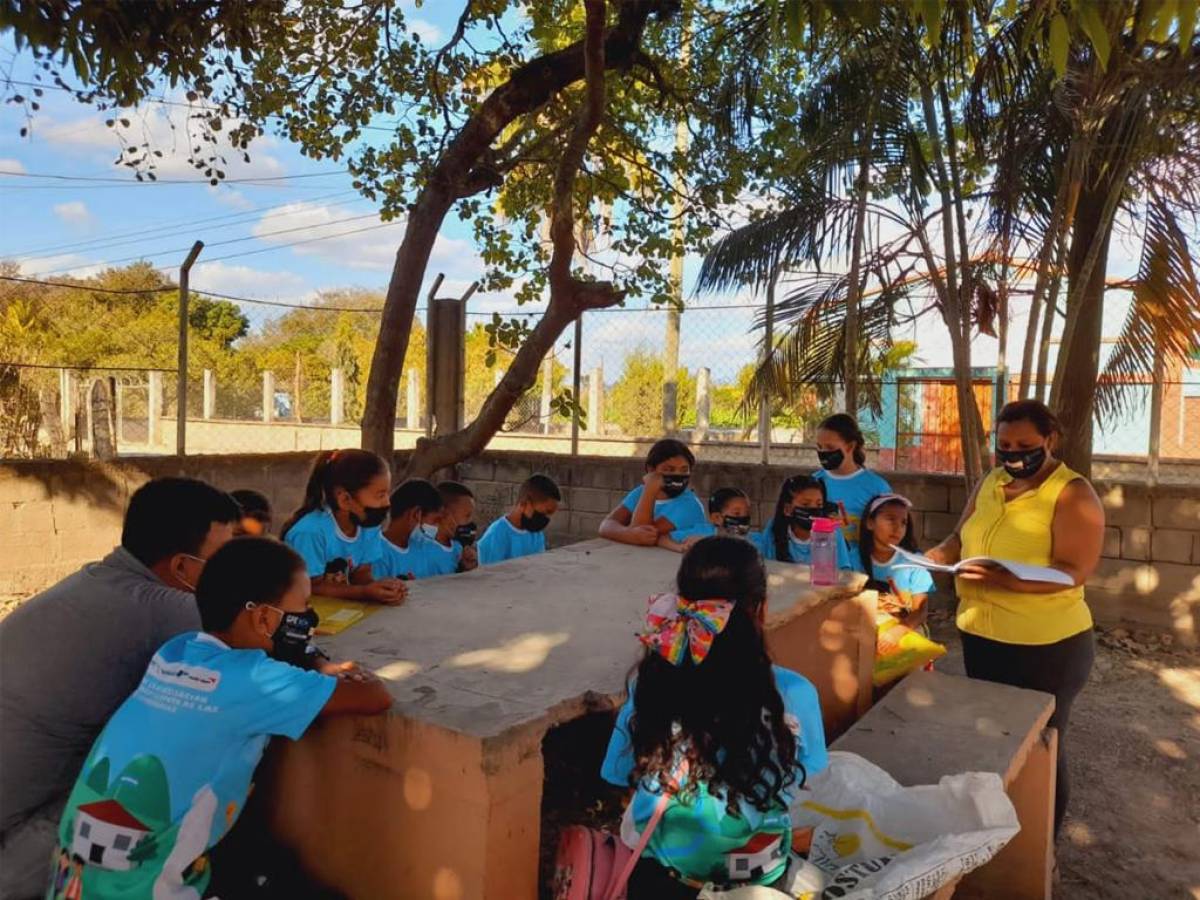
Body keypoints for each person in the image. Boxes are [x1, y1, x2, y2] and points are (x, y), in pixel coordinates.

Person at [45, 537, 391, 900]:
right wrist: (347, 670)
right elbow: (375, 698)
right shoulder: (257, 680)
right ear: (262, 617)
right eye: (302, 607)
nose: (308, 619)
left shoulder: (175, 653)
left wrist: (314, 659)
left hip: (70, 886)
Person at [0, 477, 240, 899]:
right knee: (157, 786)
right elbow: (264, 648)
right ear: (183, 568)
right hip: (12, 850)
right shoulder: (165, 608)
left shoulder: (91, 583)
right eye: (224, 561)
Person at [601, 536, 828, 897]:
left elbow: (620, 775)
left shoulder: (652, 683)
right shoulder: (795, 693)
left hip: (663, 879)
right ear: (762, 610)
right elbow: (809, 782)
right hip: (761, 879)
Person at [926, 399, 1103, 836]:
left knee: (1042, 746)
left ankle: (1043, 849)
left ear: (1051, 440)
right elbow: (958, 536)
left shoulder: (1072, 492)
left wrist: (1004, 578)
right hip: (983, 638)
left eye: (1025, 444)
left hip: (1048, 647)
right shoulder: (991, 481)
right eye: (1004, 445)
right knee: (995, 739)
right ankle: (999, 835)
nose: (1013, 453)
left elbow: (1073, 571)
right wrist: (933, 557)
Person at [280, 449, 406, 605]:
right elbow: (312, 586)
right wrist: (364, 592)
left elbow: (362, 572)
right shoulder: (310, 532)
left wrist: (381, 589)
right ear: (345, 499)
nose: (387, 502)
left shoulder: (367, 524)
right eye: (380, 495)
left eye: (387, 493)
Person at [599, 439, 708, 547]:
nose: (677, 475)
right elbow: (606, 525)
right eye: (669, 470)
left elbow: (645, 535)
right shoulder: (639, 492)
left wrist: (650, 490)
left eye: (684, 470)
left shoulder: (689, 505)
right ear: (651, 470)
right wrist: (627, 533)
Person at [812, 413, 892, 547]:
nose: (823, 452)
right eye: (819, 447)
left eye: (830, 447)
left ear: (850, 447)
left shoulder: (877, 488)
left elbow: (885, 538)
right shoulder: (813, 482)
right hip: (822, 563)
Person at [857, 493, 934, 628]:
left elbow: (921, 610)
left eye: (903, 522)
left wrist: (898, 631)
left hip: (905, 630)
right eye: (890, 519)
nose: (898, 528)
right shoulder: (852, 558)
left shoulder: (915, 562)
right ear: (870, 523)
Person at [757, 474, 854, 570]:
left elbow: (844, 571)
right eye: (805, 504)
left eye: (819, 504)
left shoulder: (832, 531)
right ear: (787, 509)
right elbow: (767, 569)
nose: (814, 509)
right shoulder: (774, 529)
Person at [476, 474, 561, 565]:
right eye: (545, 512)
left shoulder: (536, 534)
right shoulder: (496, 535)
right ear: (525, 503)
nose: (546, 518)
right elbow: (491, 575)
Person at [374, 478, 444, 580]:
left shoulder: (422, 548)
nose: (437, 527)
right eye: (435, 520)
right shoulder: (376, 552)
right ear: (416, 514)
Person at [656, 487, 753, 552]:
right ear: (716, 518)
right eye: (737, 513)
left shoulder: (753, 538)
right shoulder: (701, 531)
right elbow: (661, 538)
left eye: (747, 513)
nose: (743, 517)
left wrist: (707, 543)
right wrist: (679, 547)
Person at [424, 481, 479, 576]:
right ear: (444, 513)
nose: (470, 522)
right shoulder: (422, 548)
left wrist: (466, 568)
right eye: (467, 516)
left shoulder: (458, 548)